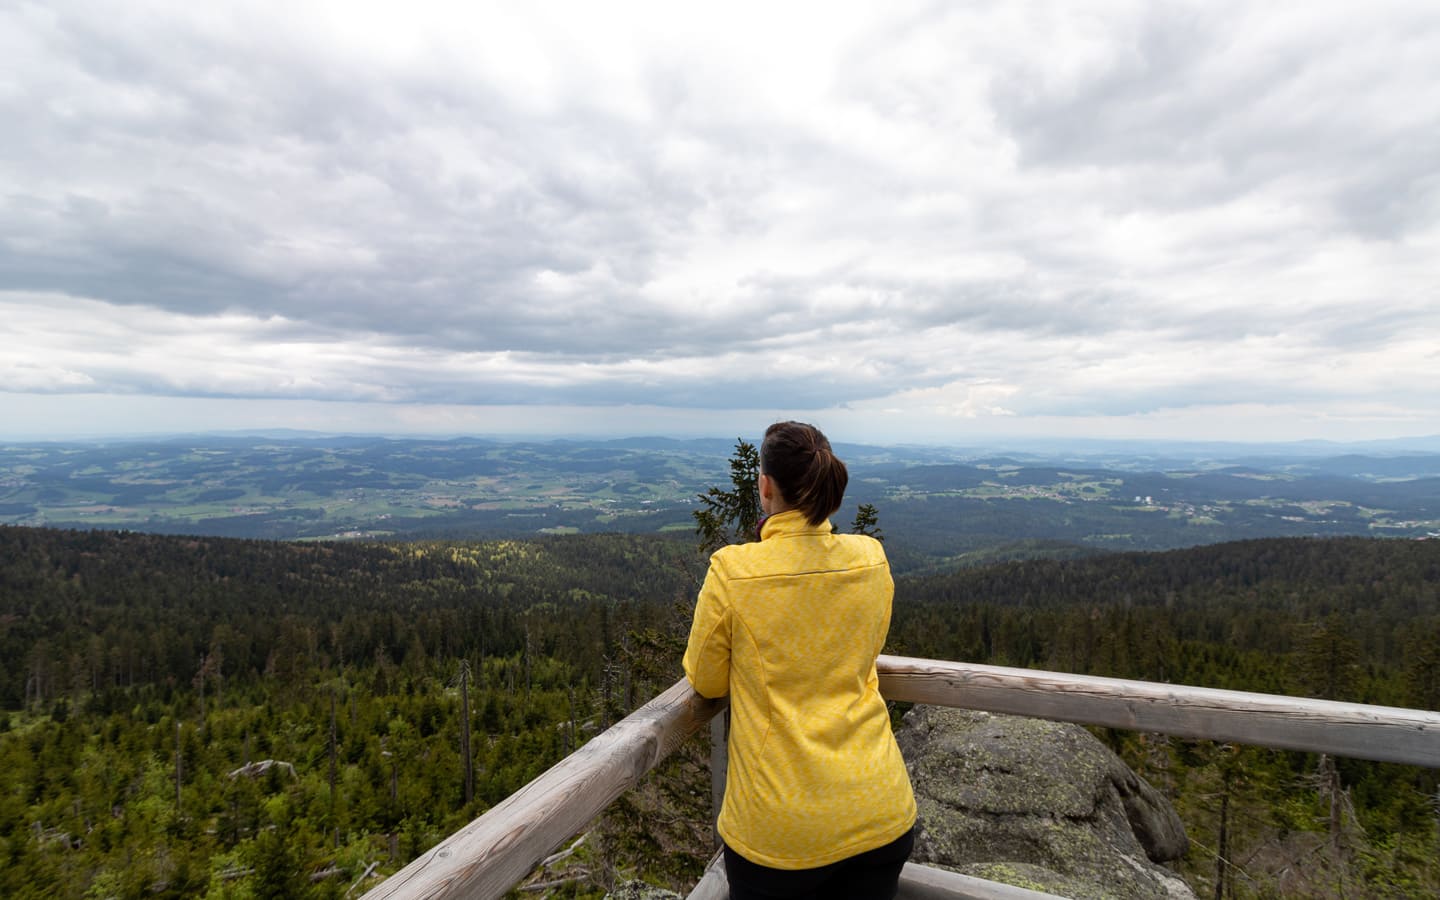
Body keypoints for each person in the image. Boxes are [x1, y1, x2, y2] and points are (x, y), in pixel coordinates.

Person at [683, 421, 917, 900]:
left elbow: (706, 682)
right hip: (880, 812)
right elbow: (866, 652)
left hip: (780, 834)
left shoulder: (733, 572)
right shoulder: (871, 559)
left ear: (765, 486)